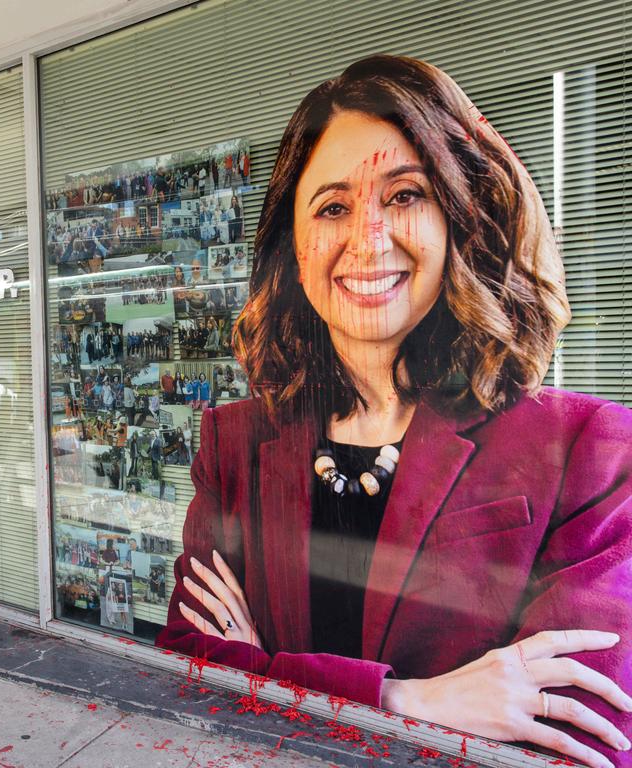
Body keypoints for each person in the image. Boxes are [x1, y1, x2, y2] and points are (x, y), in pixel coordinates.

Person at [157, 55, 632, 768]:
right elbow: (186, 679)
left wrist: (267, 671)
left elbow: (584, 742)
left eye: (405, 195)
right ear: (293, 243)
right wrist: (410, 702)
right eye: (334, 206)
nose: (368, 238)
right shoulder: (234, 440)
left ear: (461, 215)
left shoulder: (586, 451)